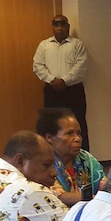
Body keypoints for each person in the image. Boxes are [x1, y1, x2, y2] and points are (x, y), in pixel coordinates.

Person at [33, 15, 90, 151]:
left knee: (78, 124)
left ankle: (83, 158)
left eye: (63, 24)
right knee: (50, 124)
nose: (59, 28)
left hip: (73, 91)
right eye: (56, 24)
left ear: (68, 27)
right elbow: (38, 66)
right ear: (52, 27)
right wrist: (52, 80)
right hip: (52, 91)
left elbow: (81, 66)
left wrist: (64, 81)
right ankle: (49, 155)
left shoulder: (77, 44)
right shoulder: (44, 45)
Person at [35, 107, 105, 206]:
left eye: (78, 133)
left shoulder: (86, 159)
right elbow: (56, 195)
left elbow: (105, 186)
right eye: (69, 133)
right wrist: (97, 200)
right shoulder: (42, 163)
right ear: (50, 137)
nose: (77, 138)